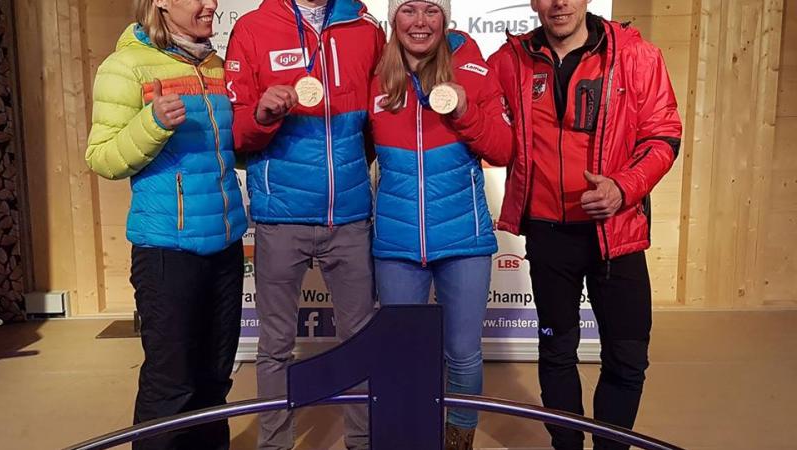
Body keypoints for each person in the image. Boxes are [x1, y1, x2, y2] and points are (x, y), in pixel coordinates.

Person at [488, 1, 683, 449]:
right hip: (548, 234)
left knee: (627, 356)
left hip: (617, 233)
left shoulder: (637, 56)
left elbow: (663, 135)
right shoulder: (509, 61)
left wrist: (623, 186)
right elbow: (479, 119)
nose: (560, 3)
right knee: (557, 353)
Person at [85, 0, 248, 449]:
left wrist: (264, 123)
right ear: (161, 2)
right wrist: (152, 122)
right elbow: (102, 158)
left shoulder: (217, 66)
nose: (210, 4)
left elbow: (234, 149)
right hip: (166, 252)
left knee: (215, 381)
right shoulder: (126, 66)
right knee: (171, 383)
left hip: (225, 245)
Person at [224, 0, 384, 449]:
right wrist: (261, 115)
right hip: (280, 217)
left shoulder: (365, 27)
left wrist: (351, 174)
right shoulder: (254, 28)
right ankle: (275, 445)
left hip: (349, 216)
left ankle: (363, 441)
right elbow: (235, 133)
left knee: (360, 340)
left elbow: (377, 123)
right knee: (274, 346)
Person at [368, 1, 513, 449]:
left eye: (432, 10)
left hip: (463, 237)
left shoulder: (472, 64)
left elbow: (505, 148)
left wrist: (465, 109)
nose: (420, 22)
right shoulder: (376, 74)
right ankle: (410, 436)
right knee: (404, 355)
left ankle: (458, 440)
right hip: (396, 241)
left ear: (445, 18)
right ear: (394, 18)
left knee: (463, 354)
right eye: (408, 10)